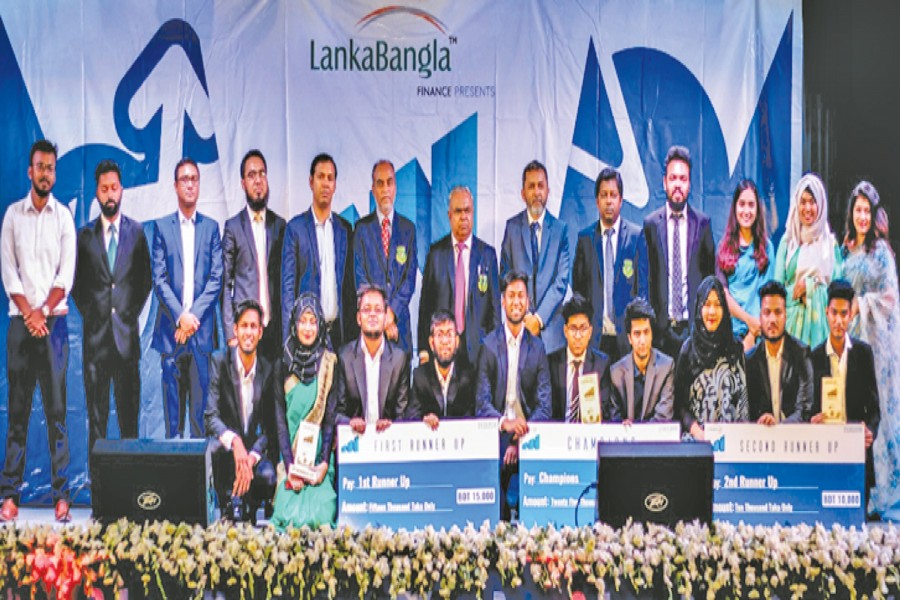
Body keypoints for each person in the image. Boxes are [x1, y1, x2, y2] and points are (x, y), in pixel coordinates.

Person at [0, 139, 76, 523]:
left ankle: (61, 496)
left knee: (57, 414)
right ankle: (9, 496)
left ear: (54, 173)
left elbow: (67, 274)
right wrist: (30, 313)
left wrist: (43, 312)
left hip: (54, 327)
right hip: (20, 326)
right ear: (29, 171)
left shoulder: (64, 218)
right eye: (39, 167)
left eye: (51, 168)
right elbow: (8, 271)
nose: (45, 173)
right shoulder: (13, 215)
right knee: (17, 414)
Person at [72, 159, 152, 485]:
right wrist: (94, 314)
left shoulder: (137, 232)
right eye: (104, 188)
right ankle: (101, 492)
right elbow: (76, 286)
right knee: (98, 420)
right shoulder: (84, 237)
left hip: (126, 342)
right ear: (97, 192)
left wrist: (128, 313)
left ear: (122, 190)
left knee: (129, 419)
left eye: (114, 188)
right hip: (96, 343)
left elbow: (144, 281)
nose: (109, 194)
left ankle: (132, 489)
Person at [840, 182, 900, 520]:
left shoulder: (882, 252)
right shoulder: (847, 248)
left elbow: (891, 299)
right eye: (857, 209)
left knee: (876, 416)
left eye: (867, 211)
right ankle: (858, 489)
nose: (861, 216)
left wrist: (860, 305)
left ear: (874, 215)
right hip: (852, 344)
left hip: (877, 349)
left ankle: (882, 493)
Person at [152, 157, 223, 438]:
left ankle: (198, 483)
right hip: (171, 336)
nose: (190, 184)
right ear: (175, 185)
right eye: (185, 179)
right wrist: (180, 317)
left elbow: (216, 279)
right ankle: (172, 483)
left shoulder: (211, 228)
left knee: (199, 420)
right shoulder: (162, 227)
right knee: (173, 424)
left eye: (194, 178)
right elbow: (159, 280)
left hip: (201, 336)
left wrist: (191, 319)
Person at [475, 270, 551, 519]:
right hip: (497, 435)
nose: (516, 301)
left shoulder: (538, 347)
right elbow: (482, 402)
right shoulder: (488, 345)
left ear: (528, 302)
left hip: (528, 435)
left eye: (521, 296)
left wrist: (519, 440)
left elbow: (544, 406)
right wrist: (505, 426)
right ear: (502, 301)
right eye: (511, 295)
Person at [204, 300, 278, 523]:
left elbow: (270, 427)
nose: (248, 332)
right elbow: (211, 416)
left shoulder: (267, 368)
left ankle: (252, 504)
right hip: (228, 454)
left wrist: (252, 456)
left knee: (268, 476)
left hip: (253, 454)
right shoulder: (219, 361)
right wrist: (235, 442)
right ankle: (229, 502)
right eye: (244, 326)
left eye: (253, 326)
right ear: (235, 330)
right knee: (213, 449)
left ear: (261, 332)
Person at [810, 280, 880, 510]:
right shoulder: (813, 356)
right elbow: (808, 410)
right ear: (826, 313)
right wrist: (812, 421)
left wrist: (869, 432)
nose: (839, 321)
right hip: (825, 461)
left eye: (844, 314)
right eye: (834, 313)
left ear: (852, 315)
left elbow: (874, 410)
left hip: (857, 462)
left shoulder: (863, 353)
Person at [641, 145, 716, 359]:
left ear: (689, 184)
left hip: (694, 332)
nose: (677, 185)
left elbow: (709, 279)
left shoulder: (703, 224)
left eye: (683, 179)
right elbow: (645, 281)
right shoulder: (651, 225)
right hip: (660, 333)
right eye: (673, 178)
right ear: (664, 182)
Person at [271, 294, 338, 530]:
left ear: (319, 325)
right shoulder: (282, 365)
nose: (308, 328)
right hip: (291, 459)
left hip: (318, 463)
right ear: (294, 324)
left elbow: (329, 419)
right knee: (284, 515)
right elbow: (280, 421)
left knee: (323, 512)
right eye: (303, 321)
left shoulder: (329, 364)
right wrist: (290, 467)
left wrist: (322, 465)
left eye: (313, 321)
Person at [418, 185, 500, 366]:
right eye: (458, 211)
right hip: (443, 352)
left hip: (479, 353)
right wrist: (424, 349)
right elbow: (425, 307)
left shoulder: (487, 255)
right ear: (449, 216)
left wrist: (494, 351)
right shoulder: (436, 254)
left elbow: (495, 310)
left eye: (468, 211)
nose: (463, 216)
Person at [573, 167, 646, 361]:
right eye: (604, 195)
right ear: (597, 201)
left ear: (621, 200)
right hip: (594, 339)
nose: (608, 201)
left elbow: (643, 290)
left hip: (627, 339)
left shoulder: (636, 237)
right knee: (594, 391)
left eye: (613, 195)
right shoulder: (585, 239)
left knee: (626, 392)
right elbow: (578, 291)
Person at [282, 153, 354, 350]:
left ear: (335, 185)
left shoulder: (345, 229)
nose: (325, 183)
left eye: (330, 178)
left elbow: (349, 288)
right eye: (321, 177)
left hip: (339, 336)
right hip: (306, 338)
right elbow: (288, 291)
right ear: (310, 181)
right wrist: (289, 341)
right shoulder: (295, 229)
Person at [500, 160, 570, 354]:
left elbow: (561, 282)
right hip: (518, 332)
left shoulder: (560, 230)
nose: (537, 192)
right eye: (531, 186)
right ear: (523, 193)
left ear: (548, 191)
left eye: (541, 186)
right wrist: (523, 316)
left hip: (552, 337)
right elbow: (505, 276)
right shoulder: (512, 228)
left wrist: (538, 319)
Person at [222, 149, 286, 362]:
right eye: (251, 175)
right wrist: (232, 333)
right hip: (245, 332)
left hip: (274, 331)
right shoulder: (233, 227)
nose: (258, 180)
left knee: (273, 394)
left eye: (262, 174)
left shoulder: (280, 226)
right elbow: (225, 283)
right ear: (243, 183)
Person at [352, 160, 417, 353]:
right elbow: (360, 278)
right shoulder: (361, 229)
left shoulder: (408, 229)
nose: (385, 189)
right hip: (371, 330)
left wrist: (392, 312)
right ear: (373, 189)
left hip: (400, 330)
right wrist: (380, 316)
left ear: (395, 187)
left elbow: (409, 280)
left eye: (389, 182)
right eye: (380, 183)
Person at [674, 276, 749, 440]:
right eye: (707, 304)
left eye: (718, 304)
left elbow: (743, 402)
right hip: (697, 440)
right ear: (699, 308)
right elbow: (679, 404)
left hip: (732, 441)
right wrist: (697, 432)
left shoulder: (735, 348)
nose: (712, 311)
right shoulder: (688, 349)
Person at [774, 172, 843, 349]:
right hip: (790, 330)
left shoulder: (830, 245)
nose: (807, 208)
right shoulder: (788, 242)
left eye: (812, 202)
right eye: (803, 202)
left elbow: (839, 293)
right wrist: (796, 291)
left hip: (823, 333)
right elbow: (776, 292)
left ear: (820, 205)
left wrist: (811, 289)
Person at [334, 285, 411, 433]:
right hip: (355, 443)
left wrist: (391, 424)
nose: (372, 315)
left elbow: (403, 413)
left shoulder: (399, 359)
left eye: (378, 310)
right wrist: (350, 422)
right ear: (358, 318)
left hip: (388, 444)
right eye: (366, 309)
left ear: (386, 317)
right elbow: (336, 412)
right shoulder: (345, 356)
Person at [715, 179, 775, 352]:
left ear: (757, 209)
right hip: (729, 335)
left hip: (758, 335)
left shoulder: (767, 248)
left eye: (751, 205)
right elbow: (723, 294)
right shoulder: (723, 247)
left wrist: (752, 334)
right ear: (735, 208)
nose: (746, 211)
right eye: (742, 204)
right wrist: (747, 320)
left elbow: (769, 295)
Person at [745, 281, 813, 424]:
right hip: (761, 440)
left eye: (778, 312)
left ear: (786, 315)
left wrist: (779, 427)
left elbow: (804, 409)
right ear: (760, 316)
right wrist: (762, 421)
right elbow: (748, 411)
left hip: (793, 440)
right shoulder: (750, 360)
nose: (772, 320)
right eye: (767, 313)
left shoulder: (801, 354)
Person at [608, 298, 675, 424]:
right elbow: (614, 419)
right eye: (637, 334)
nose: (642, 341)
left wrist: (637, 431)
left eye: (646, 332)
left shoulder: (666, 366)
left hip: (656, 440)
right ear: (629, 338)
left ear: (652, 334)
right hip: (626, 441)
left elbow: (663, 417)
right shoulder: (616, 373)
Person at [547, 294, 611, 422]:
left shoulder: (601, 364)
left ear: (590, 332)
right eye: (573, 329)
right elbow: (548, 409)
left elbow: (605, 410)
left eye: (583, 329)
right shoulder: (551, 363)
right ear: (565, 331)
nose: (578, 335)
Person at [407, 310, 476, 428]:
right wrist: (423, 420)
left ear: (457, 341)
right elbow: (411, 418)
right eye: (439, 335)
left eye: (449, 334)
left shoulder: (468, 375)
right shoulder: (420, 376)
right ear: (431, 342)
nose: (445, 341)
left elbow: (472, 418)